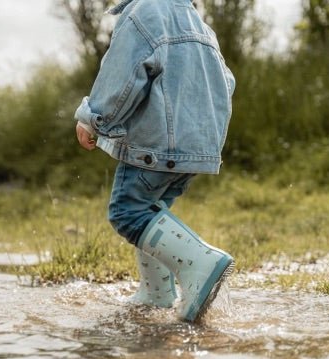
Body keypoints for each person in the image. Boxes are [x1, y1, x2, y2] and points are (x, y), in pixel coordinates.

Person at [74, 0, 236, 322]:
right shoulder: (199, 25)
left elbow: (125, 73)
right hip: (196, 146)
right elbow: (226, 82)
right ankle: (157, 293)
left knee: (128, 212)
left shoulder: (144, 11)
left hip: (156, 144)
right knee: (153, 210)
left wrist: (93, 118)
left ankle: (200, 263)